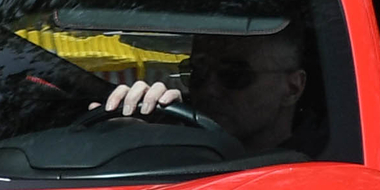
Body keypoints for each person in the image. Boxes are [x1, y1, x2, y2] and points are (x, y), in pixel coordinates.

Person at [97, 30, 314, 155]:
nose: (210, 89)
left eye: (234, 75)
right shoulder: (174, 138)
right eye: (197, 72)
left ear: (293, 88)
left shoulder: (317, 168)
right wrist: (130, 137)